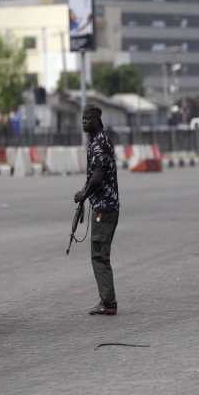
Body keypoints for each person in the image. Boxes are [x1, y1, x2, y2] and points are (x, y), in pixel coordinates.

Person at [74, 105, 120, 316]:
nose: (84, 122)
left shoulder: (99, 143)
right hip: (105, 205)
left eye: (88, 118)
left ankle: (108, 303)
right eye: (82, 119)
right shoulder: (98, 140)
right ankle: (106, 299)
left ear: (97, 120)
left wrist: (84, 193)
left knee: (99, 255)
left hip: (105, 207)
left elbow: (98, 177)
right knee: (100, 253)